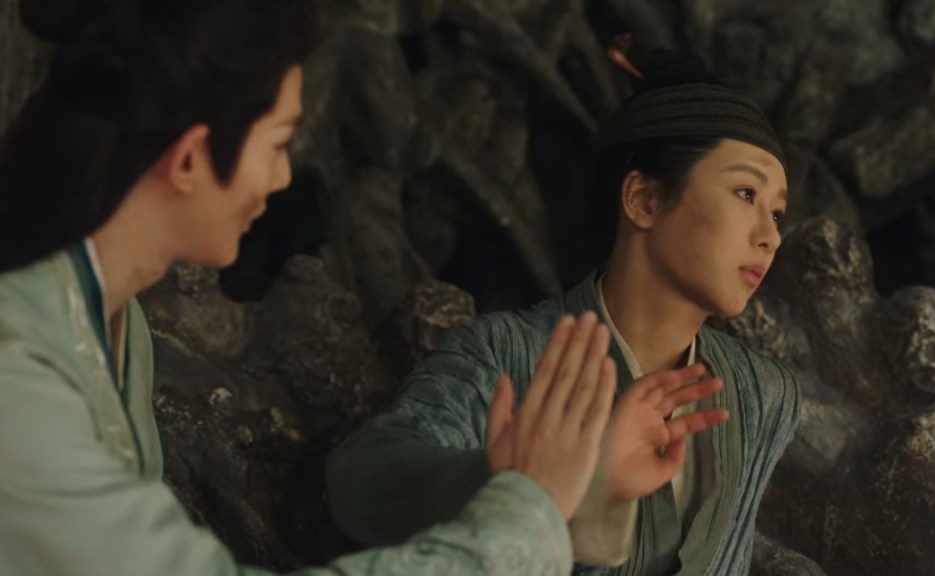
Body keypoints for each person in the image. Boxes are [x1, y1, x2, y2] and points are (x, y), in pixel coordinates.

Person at [0, 2, 689, 574]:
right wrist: (524, 509)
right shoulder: (14, 369)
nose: (282, 178)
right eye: (278, 144)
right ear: (188, 159)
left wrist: (534, 486)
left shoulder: (116, 324)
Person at [326, 48, 802, 576]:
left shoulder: (763, 396)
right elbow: (360, 482)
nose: (771, 236)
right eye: (745, 193)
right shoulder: (506, 354)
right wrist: (515, 480)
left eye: (778, 213)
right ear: (643, 200)